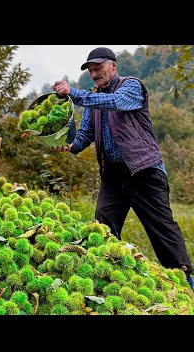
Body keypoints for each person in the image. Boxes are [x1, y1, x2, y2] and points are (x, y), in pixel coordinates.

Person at [52, 47, 194, 291]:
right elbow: (85, 134)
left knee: (162, 230)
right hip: (113, 175)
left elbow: (115, 103)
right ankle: (111, 279)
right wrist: (69, 145)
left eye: (99, 67)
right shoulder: (93, 99)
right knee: (102, 226)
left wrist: (74, 93)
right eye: (91, 70)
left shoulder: (131, 87)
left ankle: (187, 283)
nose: (95, 73)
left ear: (114, 66)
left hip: (143, 170)